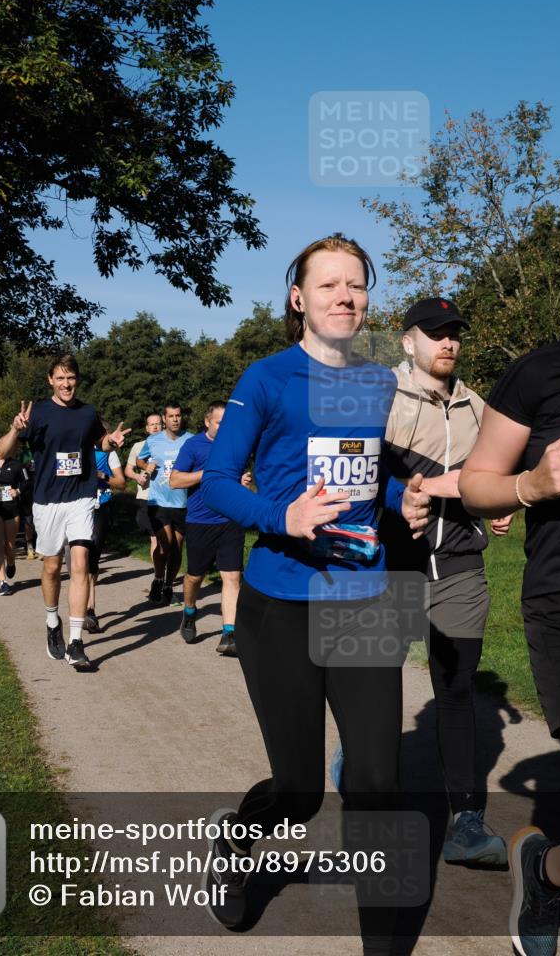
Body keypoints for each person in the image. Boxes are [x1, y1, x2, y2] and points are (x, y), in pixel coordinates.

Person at [199, 233, 430, 950]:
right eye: (327, 284)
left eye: (355, 285)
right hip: (279, 605)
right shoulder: (265, 379)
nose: (344, 296)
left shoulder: (378, 384)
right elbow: (214, 482)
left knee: (374, 781)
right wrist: (282, 516)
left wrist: (403, 499)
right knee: (297, 790)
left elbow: (368, 477)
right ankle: (237, 842)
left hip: (363, 597)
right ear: (298, 298)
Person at [459, 213, 560, 956]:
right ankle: (544, 871)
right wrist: (532, 485)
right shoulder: (543, 371)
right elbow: (478, 484)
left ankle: (548, 871)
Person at [371, 296, 513, 864]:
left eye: (454, 332)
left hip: (457, 567)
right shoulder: (378, 394)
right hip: (385, 566)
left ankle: (466, 822)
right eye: (434, 333)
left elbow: (492, 472)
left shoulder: (478, 405)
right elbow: (353, 467)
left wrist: (499, 502)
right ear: (408, 341)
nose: (448, 342)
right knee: (372, 686)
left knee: (455, 691)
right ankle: (359, 766)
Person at [0, 354, 130, 668]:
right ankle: (52, 621)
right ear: (50, 380)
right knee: (53, 567)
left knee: (80, 563)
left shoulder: (87, 412)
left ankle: (76, 643)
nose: (66, 384)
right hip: (47, 500)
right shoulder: (38, 412)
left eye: (70, 378)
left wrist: (111, 442)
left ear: (77, 380)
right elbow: (3, 451)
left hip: (81, 496)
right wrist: (16, 429)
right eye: (60, 378)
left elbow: (101, 444)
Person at [169, 401, 251, 656]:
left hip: (230, 521)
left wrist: (244, 483)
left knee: (232, 577)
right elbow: (175, 480)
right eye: (219, 422)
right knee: (194, 577)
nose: (225, 427)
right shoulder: (193, 445)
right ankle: (190, 612)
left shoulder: (238, 445)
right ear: (207, 422)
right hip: (200, 522)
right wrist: (206, 474)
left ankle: (229, 633)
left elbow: (241, 479)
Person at [136, 404, 193, 605]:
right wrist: (146, 465)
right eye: (171, 416)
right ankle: (158, 578)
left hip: (183, 502)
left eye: (178, 415)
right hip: (158, 501)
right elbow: (139, 460)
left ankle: (168, 584)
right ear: (164, 418)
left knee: (177, 548)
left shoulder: (191, 439)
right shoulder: (153, 441)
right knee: (165, 544)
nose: (175, 419)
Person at [84, 440, 126, 632]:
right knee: (79, 557)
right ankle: (82, 608)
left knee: (92, 555)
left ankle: (90, 609)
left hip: (101, 506)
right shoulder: (76, 447)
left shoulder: (109, 453)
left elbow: (121, 483)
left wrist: (102, 475)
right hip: (77, 505)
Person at [0, 445, 27, 595]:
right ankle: (3, 582)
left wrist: (17, 491)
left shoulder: (17, 465)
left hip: (11, 509)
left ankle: (11, 562)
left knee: (9, 546)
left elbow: (26, 482)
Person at [125, 413, 162, 562]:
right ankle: (158, 575)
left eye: (158, 424)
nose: (155, 427)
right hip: (147, 496)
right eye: (151, 424)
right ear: (147, 428)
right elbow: (128, 470)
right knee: (155, 537)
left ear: (163, 426)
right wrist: (137, 477)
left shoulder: (171, 446)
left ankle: (166, 572)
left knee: (168, 538)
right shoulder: (138, 446)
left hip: (168, 496)